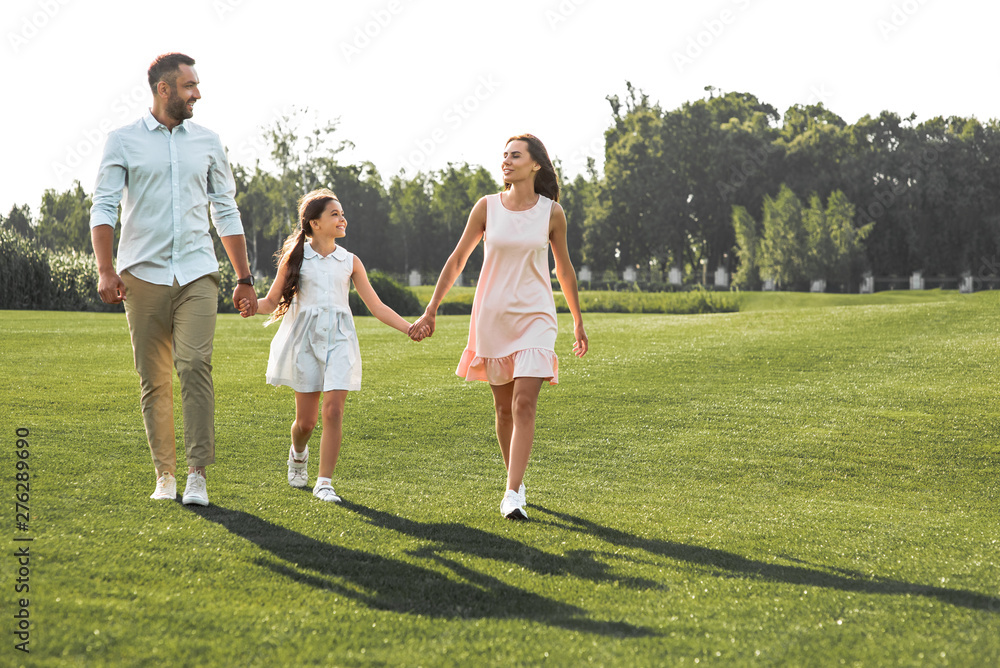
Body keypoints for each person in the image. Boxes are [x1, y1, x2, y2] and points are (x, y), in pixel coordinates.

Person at [90, 53, 258, 506]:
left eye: (196, 85)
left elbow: (225, 209)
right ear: (164, 89)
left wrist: (244, 277)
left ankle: (197, 474)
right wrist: (106, 269)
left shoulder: (208, 142)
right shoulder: (122, 141)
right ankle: (165, 475)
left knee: (195, 366)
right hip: (141, 275)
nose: (197, 93)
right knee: (155, 378)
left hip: (198, 273)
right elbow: (104, 206)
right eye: (189, 86)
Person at [409, 134, 588, 520]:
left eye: (515, 155)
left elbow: (564, 269)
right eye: (504, 155)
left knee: (525, 402)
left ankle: (510, 493)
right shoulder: (487, 207)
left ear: (535, 164)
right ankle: (517, 481)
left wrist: (577, 321)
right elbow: (457, 260)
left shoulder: (552, 213)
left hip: (537, 317)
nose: (506, 161)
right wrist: (431, 308)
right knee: (504, 409)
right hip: (493, 316)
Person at [240, 189, 414, 502]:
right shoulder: (296, 258)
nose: (342, 219)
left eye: (342, 213)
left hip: (341, 341)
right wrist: (253, 305)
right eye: (334, 214)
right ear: (314, 223)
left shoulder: (350, 261)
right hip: (304, 343)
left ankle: (325, 482)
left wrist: (408, 328)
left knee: (333, 411)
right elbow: (270, 301)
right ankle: (298, 451)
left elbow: (376, 306)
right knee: (306, 423)